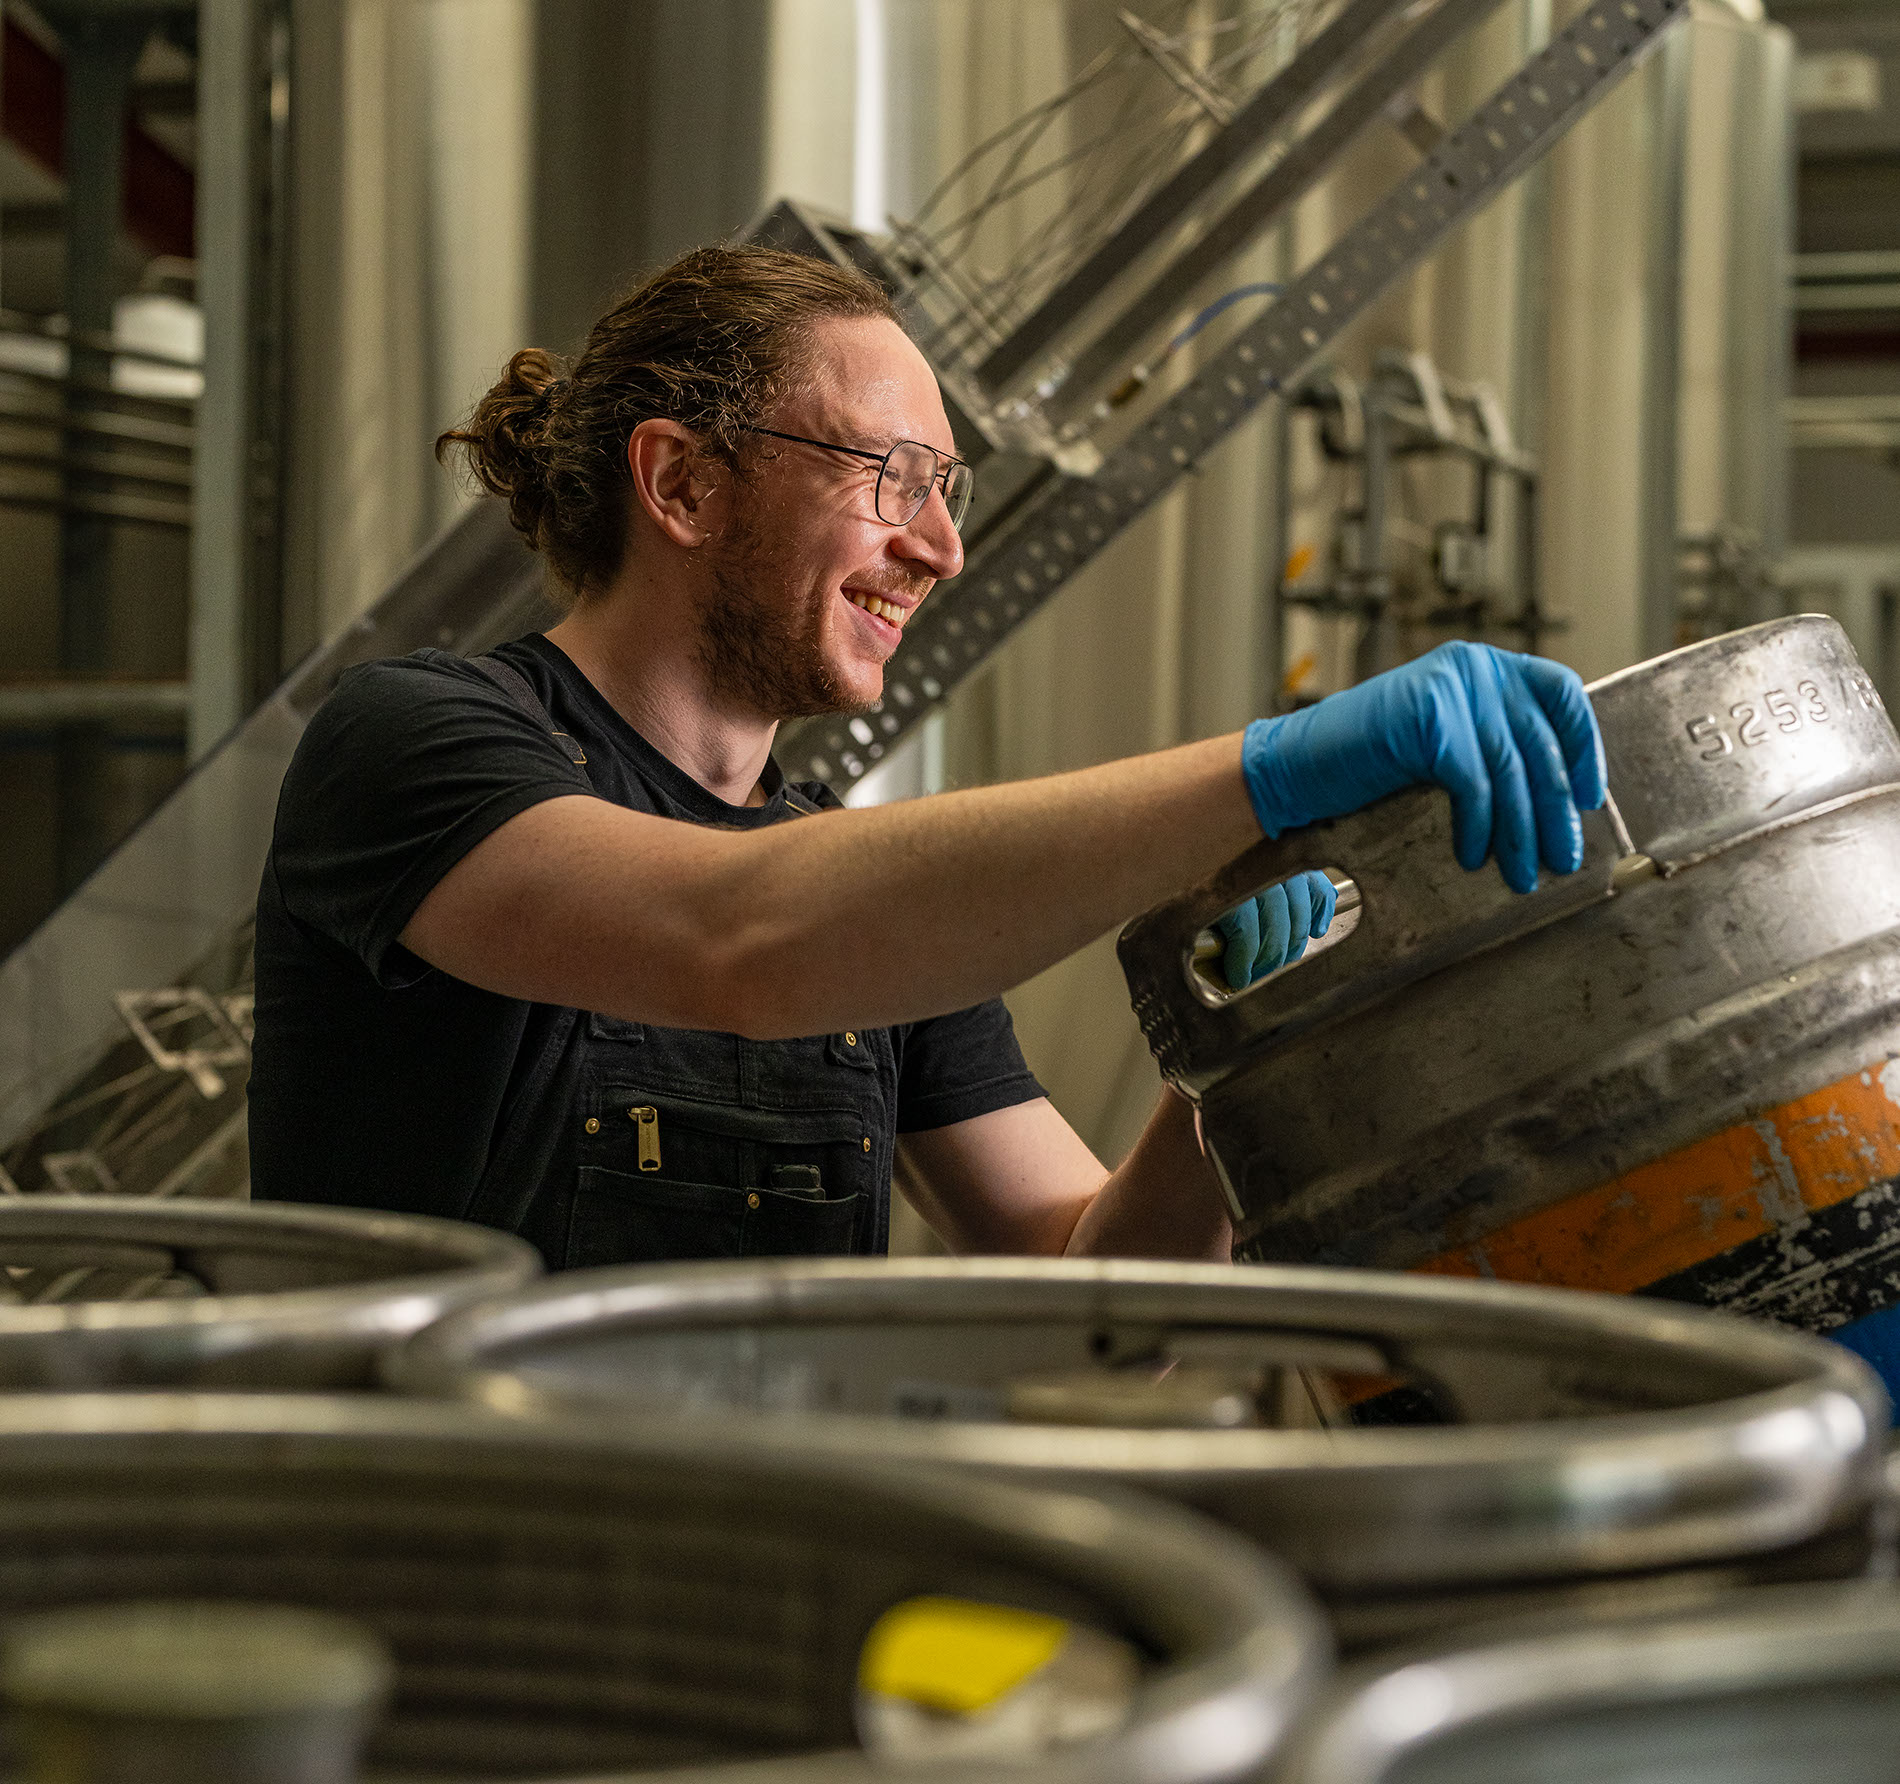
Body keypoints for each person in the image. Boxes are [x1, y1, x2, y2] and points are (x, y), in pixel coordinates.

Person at [248, 243, 1606, 1273]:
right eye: (892, 477)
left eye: (947, 493)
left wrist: (1236, 1064)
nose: (942, 549)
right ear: (683, 485)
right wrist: (1261, 775)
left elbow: (1100, 1296)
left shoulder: (864, 902)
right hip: (431, 1596)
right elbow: (734, 938)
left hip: (765, 1596)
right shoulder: (415, 743)